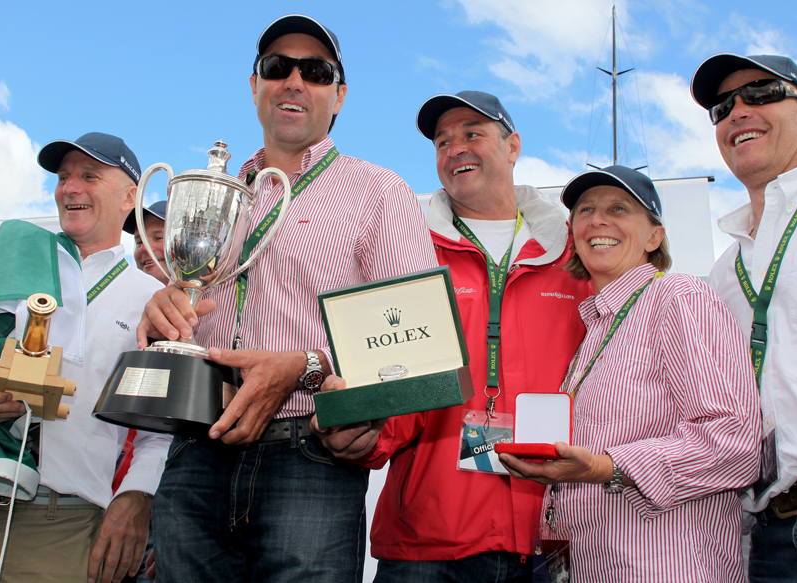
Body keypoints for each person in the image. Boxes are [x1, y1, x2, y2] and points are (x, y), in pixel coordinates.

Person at [137, 14, 436, 583]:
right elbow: (187, 304)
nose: (294, 81)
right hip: (196, 450)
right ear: (255, 86)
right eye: (278, 68)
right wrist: (162, 321)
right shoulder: (215, 191)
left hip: (310, 458)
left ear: (339, 96)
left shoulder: (380, 192)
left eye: (316, 71)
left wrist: (304, 368)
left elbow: (414, 352)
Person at [313, 91, 590, 582]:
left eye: (472, 134)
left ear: (513, 147)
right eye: (442, 142)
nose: (455, 149)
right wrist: (364, 434)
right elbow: (388, 372)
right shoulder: (406, 247)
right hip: (429, 538)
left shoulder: (577, 254)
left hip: (554, 535)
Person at [499, 165, 761, 582]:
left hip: (663, 567)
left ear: (654, 236)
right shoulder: (596, 328)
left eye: (618, 208)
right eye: (585, 211)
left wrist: (606, 467)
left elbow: (735, 444)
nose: (598, 220)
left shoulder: (678, 297)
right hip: (590, 565)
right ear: (573, 235)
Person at [691, 53, 797, 582]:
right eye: (723, 107)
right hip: (767, 541)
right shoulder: (721, 274)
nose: (739, 111)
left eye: (763, 94)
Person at [0, 132, 170, 583]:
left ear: (130, 198)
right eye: (63, 177)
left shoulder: (152, 300)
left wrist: (136, 496)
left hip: (62, 530)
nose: (70, 188)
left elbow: (157, 430)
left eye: (89, 176)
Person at [124, 200, 169, 285]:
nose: (144, 248)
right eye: (139, 242)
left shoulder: (200, 296)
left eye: (159, 238)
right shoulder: (123, 295)